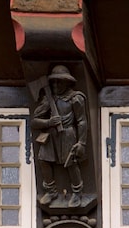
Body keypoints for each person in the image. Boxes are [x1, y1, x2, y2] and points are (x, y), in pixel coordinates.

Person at [32, 65, 87, 207]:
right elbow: (34, 121)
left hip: (68, 134)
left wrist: (81, 143)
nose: (55, 85)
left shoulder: (75, 98)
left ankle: (77, 192)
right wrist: (48, 122)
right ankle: (51, 190)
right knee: (43, 159)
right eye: (53, 82)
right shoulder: (49, 99)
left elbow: (81, 121)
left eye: (59, 81)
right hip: (51, 135)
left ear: (67, 82)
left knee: (70, 162)